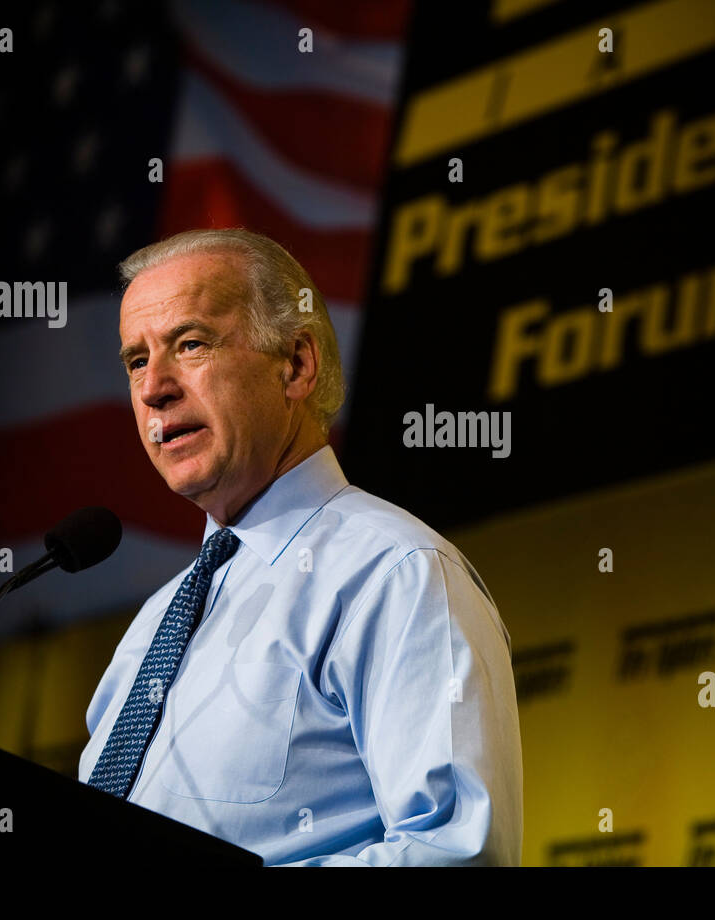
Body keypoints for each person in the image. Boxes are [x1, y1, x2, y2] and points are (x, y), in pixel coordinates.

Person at [78, 228, 523, 865]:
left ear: (295, 364)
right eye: (137, 361)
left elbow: (457, 852)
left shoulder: (396, 576)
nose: (154, 388)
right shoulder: (152, 627)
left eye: (192, 344)